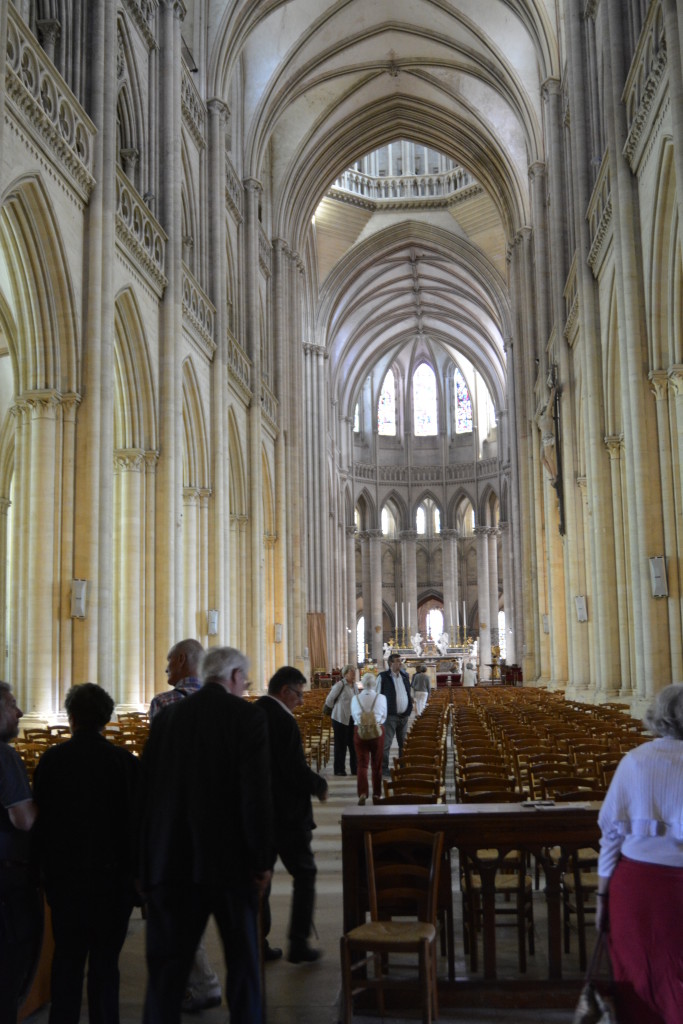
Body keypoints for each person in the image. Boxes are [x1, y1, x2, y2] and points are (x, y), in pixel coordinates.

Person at [138, 647, 274, 1024]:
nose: (245, 689)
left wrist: (146, 863)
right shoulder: (248, 718)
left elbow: (147, 792)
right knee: (244, 969)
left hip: (173, 865)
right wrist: (262, 861)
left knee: (166, 977)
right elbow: (256, 797)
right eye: (244, 682)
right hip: (232, 866)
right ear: (232, 676)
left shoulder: (167, 717)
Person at [33, 683, 138, 1024]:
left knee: (66, 961)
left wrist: (42, 872)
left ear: (72, 717)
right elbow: (135, 825)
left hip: (66, 880)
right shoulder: (124, 763)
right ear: (106, 719)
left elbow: (41, 822)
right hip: (113, 880)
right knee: (106, 965)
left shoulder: (52, 760)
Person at [597, 683, 683, 1024]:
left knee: (636, 974)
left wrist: (603, 892)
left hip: (638, 887)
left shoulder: (636, 761)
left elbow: (611, 832)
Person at [148, 638, 223, 1010]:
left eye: (168, 662)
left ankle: (200, 982)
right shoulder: (226, 707)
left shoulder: (164, 704)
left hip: (177, 821)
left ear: (181, 661)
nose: (166, 669)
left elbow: (157, 767)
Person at [258, 667, 328, 963]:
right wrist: (318, 784)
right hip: (286, 814)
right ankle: (298, 943)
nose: (301, 701)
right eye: (298, 694)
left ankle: (258, 941)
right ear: (285, 691)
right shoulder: (282, 720)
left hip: (259, 812)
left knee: (262, 876)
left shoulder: (254, 712)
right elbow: (291, 767)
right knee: (305, 872)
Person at [0, 682, 42, 1024]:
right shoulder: (5, 756)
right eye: (12, 705)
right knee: (10, 968)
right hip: (7, 878)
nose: (19, 712)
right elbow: (24, 819)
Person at [350, 672, 387, 805]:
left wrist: (362, 723)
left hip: (360, 731)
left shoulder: (355, 698)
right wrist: (376, 722)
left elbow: (353, 716)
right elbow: (384, 717)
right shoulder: (381, 697)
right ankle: (377, 794)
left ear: (363, 684)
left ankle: (363, 793)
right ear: (375, 684)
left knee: (362, 764)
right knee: (376, 765)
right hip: (377, 731)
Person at [148, 638, 204, 720]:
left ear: (181, 659)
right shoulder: (220, 702)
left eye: (169, 660)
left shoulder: (163, 701)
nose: (166, 669)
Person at [376, 653, 413, 776]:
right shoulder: (383, 677)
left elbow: (408, 692)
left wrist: (409, 708)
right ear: (391, 663)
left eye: (400, 660)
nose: (400, 663)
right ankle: (383, 768)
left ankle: (403, 766)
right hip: (390, 716)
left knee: (403, 743)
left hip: (404, 716)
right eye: (397, 661)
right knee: (386, 743)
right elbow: (377, 696)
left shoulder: (404, 676)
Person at [323, 665, 358, 776]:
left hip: (352, 718)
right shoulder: (340, 685)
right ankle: (339, 769)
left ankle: (355, 769)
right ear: (345, 673)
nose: (354, 674)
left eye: (354, 672)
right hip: (340, 718)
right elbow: (329, 699)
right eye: (352, 672)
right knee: (340, 745)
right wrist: (336, 709)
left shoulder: (355, 686)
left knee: (353, 745)